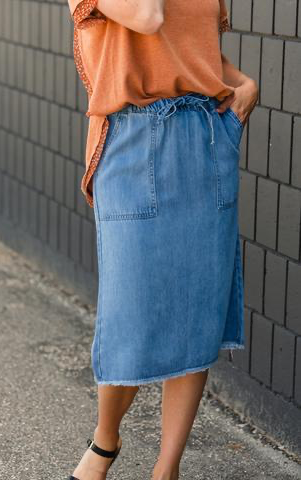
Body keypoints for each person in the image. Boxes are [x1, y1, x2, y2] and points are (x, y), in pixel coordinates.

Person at [66, 1, 258, 479]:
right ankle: (105, 441)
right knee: (130, 316)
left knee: (198, 311)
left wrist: (242, 81)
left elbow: (193, 46)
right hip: (132, 140)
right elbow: (147, 17)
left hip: (205, 138)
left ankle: (166, 469)